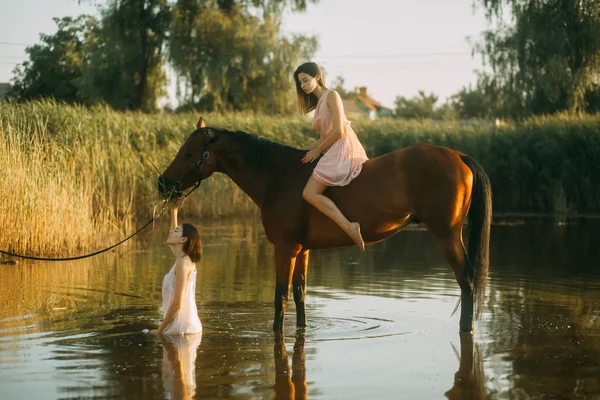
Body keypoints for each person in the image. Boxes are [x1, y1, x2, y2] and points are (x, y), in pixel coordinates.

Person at [294, 61, 369, 251]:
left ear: (317, 77)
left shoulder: (332, 95)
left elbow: (338, 131)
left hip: (342, 145)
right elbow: (322, 139)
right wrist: (300, 151)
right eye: (300, 83)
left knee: (309, 192)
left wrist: (317, 151)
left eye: (305, 80)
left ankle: (349, 226)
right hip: (331, 146)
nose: (302, 86)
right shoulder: (318, 104)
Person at [151, 197, 203, 335]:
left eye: (176, 231)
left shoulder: (183, 265)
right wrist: (174, 211)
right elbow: (173, 236)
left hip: (182, 331)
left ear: (183, 239)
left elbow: (177, 304)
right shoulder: (181, 260)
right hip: (180, 328)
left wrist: (160, 331)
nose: (171, 232)